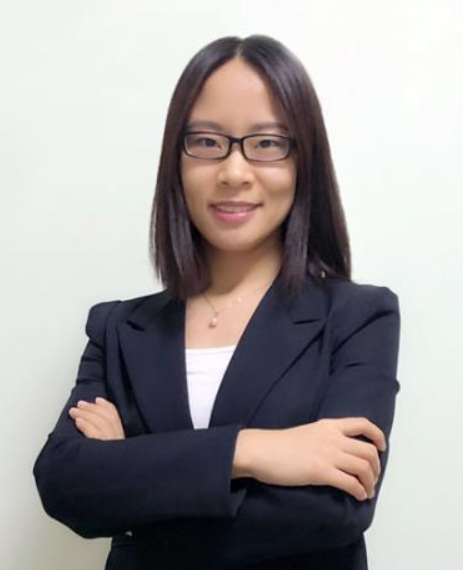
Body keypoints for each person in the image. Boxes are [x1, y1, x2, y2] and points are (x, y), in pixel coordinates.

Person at [33, 34, 401, 570]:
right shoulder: (119, 327)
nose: (233, 172)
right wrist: (253, 450)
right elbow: (65, 484)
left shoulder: (358, 317)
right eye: (206, 142)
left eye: (267, 143)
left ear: (304, 161)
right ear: (176, 160)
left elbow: (332, 511)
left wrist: (133, 495)